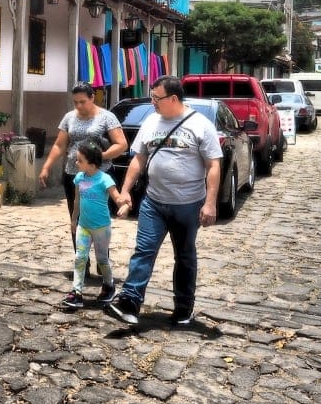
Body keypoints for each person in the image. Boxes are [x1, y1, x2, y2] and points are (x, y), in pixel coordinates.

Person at [107, 75, 223, 327]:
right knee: (144, 251)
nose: (153, 102)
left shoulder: (201, 125)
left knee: (184, 257)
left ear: (173, 98)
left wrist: (210, 202)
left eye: (156, 98)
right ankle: (129, 302)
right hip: (153, 202)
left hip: (188, 204)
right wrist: (125, 189)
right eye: (152, 97)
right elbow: (139, 158)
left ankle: (183, 308)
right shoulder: (151, 122)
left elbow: (213, 164)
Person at [38, 82, 128, 269]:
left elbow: (121, 144)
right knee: (77, 216)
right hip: (74, 174)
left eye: (83, 102)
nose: (79, 106)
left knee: (98, 217)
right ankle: (82, 262)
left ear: (92, 98)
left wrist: (97, 157)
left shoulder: (106, 117)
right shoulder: (69, 118)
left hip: (99, 176)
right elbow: (60, 144)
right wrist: (47, 166)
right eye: (75, 102)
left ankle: (102, 262)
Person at [62, 141, 128, 309]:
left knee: (102, 259)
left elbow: (117, 197)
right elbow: (77, 200)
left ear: (91, 163)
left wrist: (124, 205)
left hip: (101, 228)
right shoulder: (79, 178)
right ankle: (76, 292)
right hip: (83, 226)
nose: (76, 163)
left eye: (79, 160)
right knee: (80, 258)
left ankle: (109, 285)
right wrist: (73, 219)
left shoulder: (104, 179)